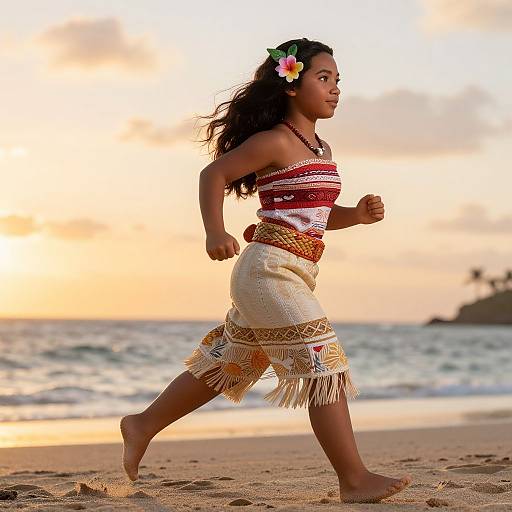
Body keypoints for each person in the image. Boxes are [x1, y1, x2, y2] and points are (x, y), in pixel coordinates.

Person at [120, 37, 412, 504]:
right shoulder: (275, 139)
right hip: (267, 271)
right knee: (324, 366)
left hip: (297, 270)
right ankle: (353, 479)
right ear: (292, 85)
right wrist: (215, 231)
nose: (335, 89)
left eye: (338, 80)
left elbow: (313, 214)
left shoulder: (320, 148)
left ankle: (142, 424)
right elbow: (212, 175)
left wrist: (354, 214)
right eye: (324, 78)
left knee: (229, 364)